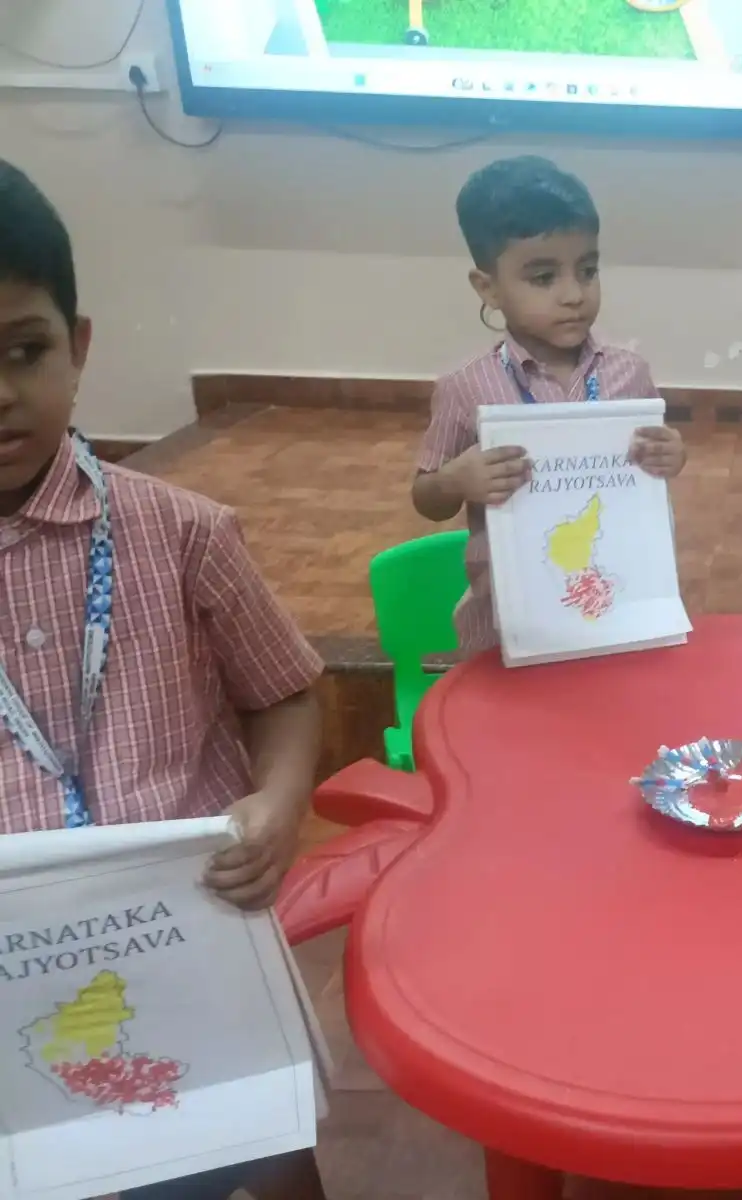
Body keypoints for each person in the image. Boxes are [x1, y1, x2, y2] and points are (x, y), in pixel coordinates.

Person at [0, 162, 327, 1198]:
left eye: (24, 351)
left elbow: (284, 691)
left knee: (269, 1153)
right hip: (20, 977)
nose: (0, 392)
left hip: (202, 933)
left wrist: (280, 802)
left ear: (78, 345)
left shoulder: (180, 533)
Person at [412, 155, 686, 656]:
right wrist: (455, 481)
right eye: (543, 277)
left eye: (588, 270)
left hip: (615, 608)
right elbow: (427, 498)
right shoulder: (465, 387)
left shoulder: (629, 375)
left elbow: (649, 476)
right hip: (506, 629)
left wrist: (671, 456)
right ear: (488, 288)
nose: (574, 294)